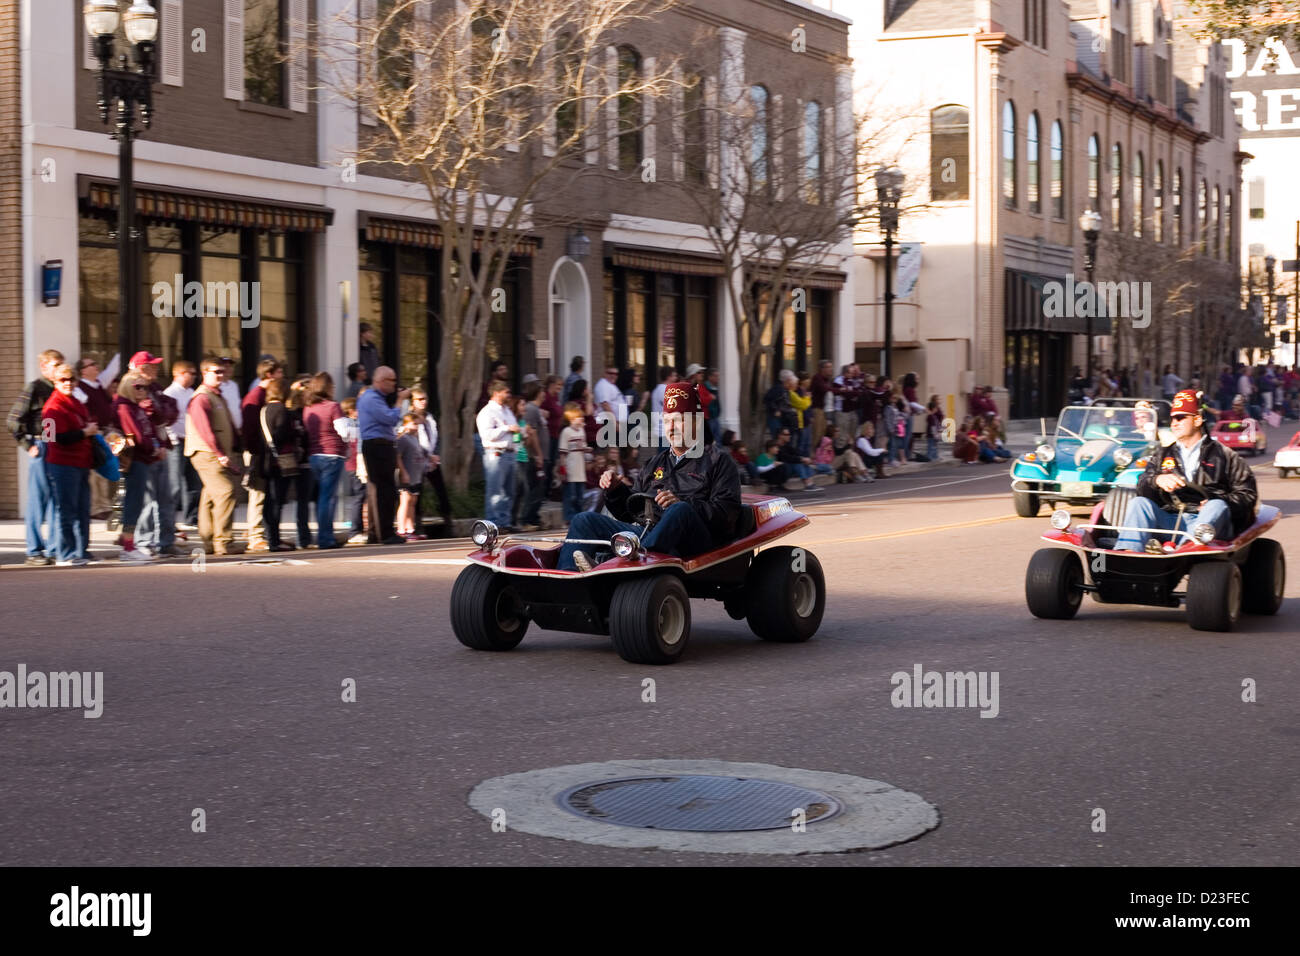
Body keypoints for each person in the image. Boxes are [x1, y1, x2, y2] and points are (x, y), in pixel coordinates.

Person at [557, 383, 742, 572]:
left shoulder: (719, 461)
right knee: (583, 520)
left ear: (696, 421)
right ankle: (569, 581)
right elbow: (631, 513)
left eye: (678, 420)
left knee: (680, 510)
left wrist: (683, 502)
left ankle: (630, 564)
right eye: (667, 420)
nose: (671, 427)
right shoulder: (655, 462)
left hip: (696, 542)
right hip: (650, 535)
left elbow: (727, 514)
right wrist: (615, 490)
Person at [1114, 389, 1258, 553]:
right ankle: (1128, 555)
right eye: (1172, 418)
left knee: (1216, 505)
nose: (1174, 423)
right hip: (1171, 519)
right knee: (1138, 503)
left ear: (1197, 420)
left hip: (1211, 525)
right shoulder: (1162, 454)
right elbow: (1142, 486)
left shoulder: (1226, 456)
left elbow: (1248, 495)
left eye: (1181, 418)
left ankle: (1183, 551)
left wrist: (1215, 499)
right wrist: (1156, 480)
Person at [8, 348, 64, 565]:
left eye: (61, 364)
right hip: (41, 445)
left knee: (55, 500)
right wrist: (28, 444)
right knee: (37, 501)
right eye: (55, 365)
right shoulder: (35, 388)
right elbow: (13, 419)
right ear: (44, 366)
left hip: (56, 446)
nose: (59, 369)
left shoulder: (59, 389)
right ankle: (33, 551)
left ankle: (52, 548)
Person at [185, 357, 244, 555]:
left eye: (222, 371)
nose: (220, 374)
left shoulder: (217, 395)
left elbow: (228, 425)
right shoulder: (202, 398)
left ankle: (209, 541)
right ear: (205, 373)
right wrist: (220, 454)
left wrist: (236, 446)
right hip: (206, 453)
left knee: (210, 496)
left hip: (217, 452)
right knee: (226, 492)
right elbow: (204, 429)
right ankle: (224, 541)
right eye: (215, 371)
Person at [41, 363, 98, 566]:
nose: (68, 383)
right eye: (62, 380)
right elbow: (54, 438)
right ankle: (65, 553)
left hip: (81, 462)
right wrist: (85, 432)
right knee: (66, 510)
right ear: (55, 382)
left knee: (83, 509)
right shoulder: (52, 407)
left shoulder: (76, 402)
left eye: (71, 379)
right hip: (62, 464)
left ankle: (81, 551)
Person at [113, 373, 168, 562]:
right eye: (138, 387)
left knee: (135, 503)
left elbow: (151, 430)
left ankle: (128, 544)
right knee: (133, 503)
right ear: (128, 386)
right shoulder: (124, 407)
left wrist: (158, 446)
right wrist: (154, 450)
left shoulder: (136, 407)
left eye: (145, 387)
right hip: (134, 460)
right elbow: (136, 436)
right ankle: (128, 548)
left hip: (144, 460)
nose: (143, 391)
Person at [358, 366, 409, 546]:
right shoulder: (372, 398)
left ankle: (374, 532)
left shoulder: (373, 398)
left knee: (376, 490)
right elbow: (390, 418)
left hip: (377, 444)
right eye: (392, 381)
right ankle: (385, 533)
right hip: (378, 445)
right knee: (384, 490)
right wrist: (400, 400)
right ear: (381, 381)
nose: (395, 385)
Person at [240, 357, 283, 552]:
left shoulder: (264, 394)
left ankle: (261, 533)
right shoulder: (256, 395)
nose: (282, 376)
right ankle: (255, 535)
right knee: (257, 493)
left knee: (263, 494)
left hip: (262, 452)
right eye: (279, 373)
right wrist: (254, 450)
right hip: (257, 452)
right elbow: (249, 426)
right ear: (269, 374)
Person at [301, 371, 347, 549]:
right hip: (332, 454)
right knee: (328, 498)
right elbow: (343, 431)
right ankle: (326, 538)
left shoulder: (308, 408)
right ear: (327, 387)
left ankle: (324, 536)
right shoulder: (333, 406)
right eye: (332, 386)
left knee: (322, 497)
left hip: (314, 456)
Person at [254, 378, 298, 552]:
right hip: (279, 461)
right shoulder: (282, 410)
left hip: (265, 460)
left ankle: (272, 537)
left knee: (269, 501)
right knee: (277, 502)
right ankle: (274, 540)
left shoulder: (264, 410)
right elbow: (281, 434)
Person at [73, 354, 115, 520]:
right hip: (92, 433)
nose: (96, 366)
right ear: (83, 371)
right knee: (94, 473)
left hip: (105, 432)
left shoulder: (98, 385)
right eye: (92, 364)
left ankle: (104, 505)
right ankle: (95, 507)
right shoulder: (80, 388)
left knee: (104, 469)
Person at [477, 380, 520, 531]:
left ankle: (505, 521)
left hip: (509, 453)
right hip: (495, 453)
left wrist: (517, 437)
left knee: (509, 491)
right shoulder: (487, 412)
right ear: (496, 393)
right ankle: (493, 523)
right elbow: (487, 435)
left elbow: (514, 431)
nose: (508, 395)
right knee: (495, 491)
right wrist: (507, 428)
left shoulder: (507, 411)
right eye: (506, 392)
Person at [410, 389, 454, 537]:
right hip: (417, 461)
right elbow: (412, 441)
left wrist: (434, 455)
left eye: (425, 399)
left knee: (441, 491)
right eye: (420, 399)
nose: (423, 401)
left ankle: (449, 524)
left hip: (432, 460)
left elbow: (434, 438)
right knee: (418, 493)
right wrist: (428, 456)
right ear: (413, 402)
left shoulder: (430, 418)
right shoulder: (409, 418)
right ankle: (418, 526)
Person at [162, 359, 201, 529]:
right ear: (179, 374)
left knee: (193, 483)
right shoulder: (169, 393)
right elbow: (165, 420)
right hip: (176, 442)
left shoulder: (192, 392)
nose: (194, 376)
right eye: (190, 373)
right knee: (174, 484)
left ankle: (191, 518)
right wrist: (171, 439)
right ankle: (168, 521)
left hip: (191, 441)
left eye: (194, 373)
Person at [334, 396, 365, 543]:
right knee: (358, 496)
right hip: (355, 464)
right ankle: (354, 531)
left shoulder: (352, 423)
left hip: (353, 464)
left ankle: (358, 529)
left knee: (360, 495)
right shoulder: (351, 424)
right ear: (352, 411)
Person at [396, 414, 428, 539]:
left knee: (412, 502)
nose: (416, 426)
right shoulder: (403, 439)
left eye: (417, 424)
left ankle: (410, 529)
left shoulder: (415, 438)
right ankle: (401, 529)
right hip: (407, 474)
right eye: (414, 423)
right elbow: (398, 456)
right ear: (406, 424)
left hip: (416, 475)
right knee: (405, 501)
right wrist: (403, 472)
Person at [559, 402, 590, 522]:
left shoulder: (582, 431)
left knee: (579, 497)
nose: (581, 419)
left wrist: (586, 450)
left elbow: (584, 446)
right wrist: (563, 469)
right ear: (571, 418)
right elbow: (563, 452)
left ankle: (578, 517)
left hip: (580, 469)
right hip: (570, 468)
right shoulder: (566, 432)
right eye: (578, 417)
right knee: (570, 496)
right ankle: (569, 517)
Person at [774, 427, 822, 492]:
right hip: (781, 470)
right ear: (780, 436)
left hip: (789, 468)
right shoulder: (775, 446)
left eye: (789, 434)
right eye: (786, 435)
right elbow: (786, 458)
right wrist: (801, 459)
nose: (789, 436)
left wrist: (804, 459)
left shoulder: (786, 445)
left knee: (804, 463)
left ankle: (810, 483)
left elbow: (796, 453)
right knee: (798, 464)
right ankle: (808, 484)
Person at [789, 374, 813, 457]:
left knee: (807, 442)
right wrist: (808, 398)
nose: (809, 381)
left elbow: (808, 406)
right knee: (800, 443)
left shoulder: (805, 391)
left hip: (806, 420)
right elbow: (803, 405)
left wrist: (811, 416)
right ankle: (800, 460)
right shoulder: (795, 392)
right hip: (799, 421)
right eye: (807, 379)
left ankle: (806, 459)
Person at [217, 356, 243, 431]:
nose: (229, 369)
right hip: (224, 430)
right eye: (225, 366)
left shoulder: (234, 385)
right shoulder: (217, 386)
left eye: (230, 366)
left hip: (237, 429)